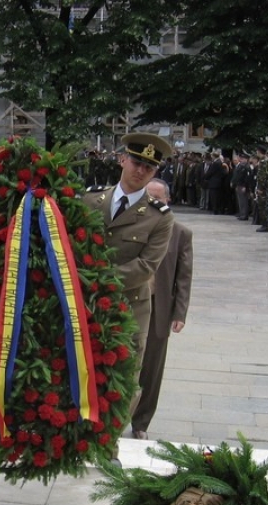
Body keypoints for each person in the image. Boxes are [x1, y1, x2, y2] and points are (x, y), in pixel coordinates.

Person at [81, 132, 174, 465]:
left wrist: (98, 278)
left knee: (124, 380)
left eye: (150, 167)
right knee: (82, 371)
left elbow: (146, 265)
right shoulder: (90, 200)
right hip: (86, 306)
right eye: (136, 162)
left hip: (130, 308)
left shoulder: (160, 217)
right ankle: (77, 439)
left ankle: (109, 447)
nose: (141, 171)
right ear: (122, 159)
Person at [131, 178, 192, 440]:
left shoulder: (180, 233)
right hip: (131, 302)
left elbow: (184, 277)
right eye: (149, 198)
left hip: (159, 307)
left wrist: (179, 313)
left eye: (159, 199)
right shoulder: (131, 223)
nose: (154, 204)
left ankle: (141, 422)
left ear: (168, 200)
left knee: (151, 368)